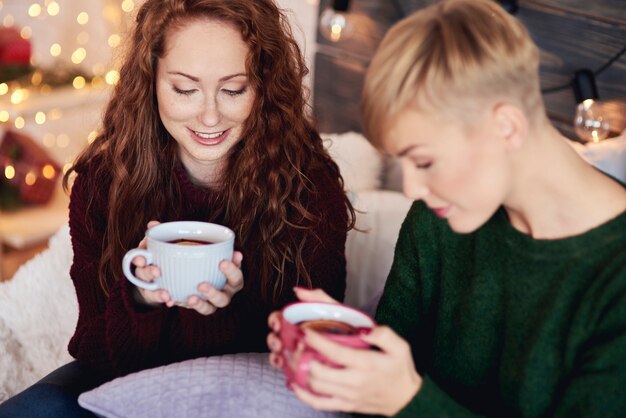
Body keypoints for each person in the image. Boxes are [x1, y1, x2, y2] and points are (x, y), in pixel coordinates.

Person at [267, 0, 626, 416]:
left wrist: (406, 400)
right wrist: (343, 347)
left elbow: (404, 397)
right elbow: (387, 377)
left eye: (424, 162)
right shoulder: (435, 221)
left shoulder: (613, 276)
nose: (415, 189)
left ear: (505, 126)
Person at [0, 0, 354, 416]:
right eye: (185, 89)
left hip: (251, 393)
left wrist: (226, 312)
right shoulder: (104, 181)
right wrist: (140, 299)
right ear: (150, 81)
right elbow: (93, 350)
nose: (209, 115)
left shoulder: (307, 186)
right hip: (120, 382)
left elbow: (313, 352)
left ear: (263, 85)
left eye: (234, 89)